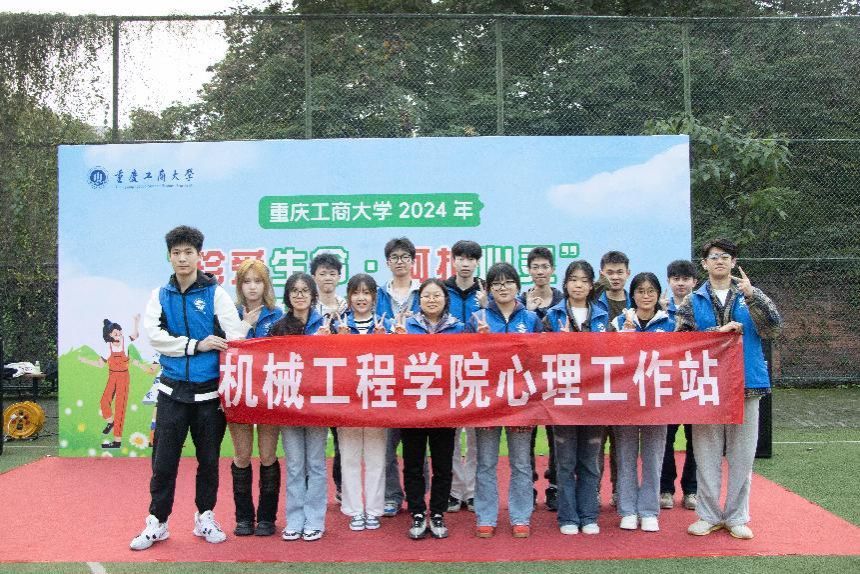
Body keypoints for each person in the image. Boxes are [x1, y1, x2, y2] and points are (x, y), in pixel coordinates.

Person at [130, 225, 246, 551]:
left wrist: (226, 338)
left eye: (188, 252)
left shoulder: (215, 294)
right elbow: (155, 337)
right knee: (163, 462)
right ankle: (158, 522)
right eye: (176, 253)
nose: (182, 258)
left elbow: (235, 335)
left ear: (199, 255)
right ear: (169, 257)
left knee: (208, 461)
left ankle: (204, 517)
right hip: (171, 392)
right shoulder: (160, 295)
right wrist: (196, 345)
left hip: (209, 394)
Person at [676, 238, 781, 540]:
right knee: (706, 454)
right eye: (713, 256)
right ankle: (708, 515)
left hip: (747, 383)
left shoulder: (750, 294)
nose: (719, 260)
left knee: (743, 455)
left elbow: (773, 329)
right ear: (704, 264)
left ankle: (736, 516)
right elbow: (681, 341)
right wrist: (717, 333)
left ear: (734, 262)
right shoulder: (692, 300)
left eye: (725, 256)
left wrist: (753, 297)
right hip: (706, 386)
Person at [468, 262, 542, 539]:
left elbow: (540, 358)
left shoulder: (531, 319)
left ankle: (521, 516)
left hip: (521, 401)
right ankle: (486, 516)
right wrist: (479, 342)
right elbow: (464, 359)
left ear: (517, 287)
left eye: (508, 282)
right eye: (496, 283)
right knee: (486, 462)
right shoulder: (477, 318)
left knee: (521, 463)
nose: (503, 288)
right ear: (488, 288)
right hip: (488, 401)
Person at [394, 278, 464, 540]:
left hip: (445, 408)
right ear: (419, 300)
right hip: (412, 407)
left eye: (437, 295)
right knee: (413, 464)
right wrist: (394, 340)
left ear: (446, 299)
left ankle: (437, 512)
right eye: (426, 296)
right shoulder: (405, 326)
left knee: (443, 465)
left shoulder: (458, 328)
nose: (431, 300)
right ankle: (417, 511)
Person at [543, 260, 609, 535]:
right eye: (573, 279)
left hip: (594, 401)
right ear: (566, 283)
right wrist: (559, 343)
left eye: (584, 280)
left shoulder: (604, 316)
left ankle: (589, 515)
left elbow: (614, 355)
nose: (578, 285)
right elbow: (540, 356)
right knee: (565, 462)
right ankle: (568, 516)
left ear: (591, 285)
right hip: (563, 401)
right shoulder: (552, 316)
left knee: (590, 462)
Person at [610, 272, 674, 532]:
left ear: (658, 294)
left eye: (651, 291)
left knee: (653, 457)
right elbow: (606, 359)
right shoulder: (619, 321)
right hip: (625, 402)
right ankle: (627, 509)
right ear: (632, 294)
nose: (646, 296)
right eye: (640, 291)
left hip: (658, 402)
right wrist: (623, 337)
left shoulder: (671, 322)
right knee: (625, 456)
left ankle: (649, 510)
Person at [270, 272, 332, 542]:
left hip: (317, 406)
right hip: (290, 405)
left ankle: (315, 520)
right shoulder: (278, 328)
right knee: (295, 465)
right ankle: (294, 519)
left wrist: (330, 341)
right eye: (294, 290)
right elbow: (268, 363)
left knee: (316, 464)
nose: (300, 295)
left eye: (305, 290)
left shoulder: (326, 325)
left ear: (313, 295)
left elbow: (337, 362)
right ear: (287, 296)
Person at [229, 259, 284, 537]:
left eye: (258, 281)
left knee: (267, 455)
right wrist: (243, 325)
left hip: (269, 394)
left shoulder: (278, 315)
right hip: (238, 393)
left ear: (266, 285)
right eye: (247, 282)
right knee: (241, 455)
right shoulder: (229, 313)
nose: (252, 287)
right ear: (239, 286)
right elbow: (224, 348)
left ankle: (266, 517)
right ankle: (243, 517)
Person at [335, 274, 392, 532]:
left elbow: (399, 357)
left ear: (374, 297)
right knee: (348, 457)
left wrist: (388, 338)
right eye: (356, 293)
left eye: (366, 293)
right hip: (347, 401)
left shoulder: (386, 324)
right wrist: (336, 340)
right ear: (349, 297)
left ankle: (374, 509)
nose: (361, 298)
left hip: (378, 399)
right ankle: (354, 510)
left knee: (376, 458)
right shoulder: (338, 324)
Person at [377, 237, 421, 517]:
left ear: (413, 261)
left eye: (405, 257)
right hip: (387, 378)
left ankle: (420, 496)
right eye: (395, 257)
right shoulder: (379, 294)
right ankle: (391, 495)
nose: (400, 261)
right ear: (388, 262)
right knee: (387, 445)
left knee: (418, 444)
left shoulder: (425, 291)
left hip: (418, 377)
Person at [518, 246, 564, 512]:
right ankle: (528, 486)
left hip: (556, 376)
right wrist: (529, 311)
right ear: (529, 271)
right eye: (535, 267)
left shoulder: (562, 299)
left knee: (557, 433)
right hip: (526, 378)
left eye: (544, 266)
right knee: (527, 434)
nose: (540, 271)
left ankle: (555, 485)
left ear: (552, 269)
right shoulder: (520, 300)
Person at [443, 240, 486, 513]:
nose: (465, 263)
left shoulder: (486, 290)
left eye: (471, 259)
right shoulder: (442, 290)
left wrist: (487, 305)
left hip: (478, 371)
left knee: (475, 437)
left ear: (477, 262)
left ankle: (472, 491)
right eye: (461, 258)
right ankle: (454, 490)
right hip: (447, 371)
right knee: (451, 436)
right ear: (453, 261)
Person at [660, 259, 699, 511]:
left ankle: (691, 490)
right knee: (665, 438)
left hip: (694, 381)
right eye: (676, 279)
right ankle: (665, 489)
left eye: (685, 279)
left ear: (694, 282)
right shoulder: (660, 309)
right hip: (667, 384)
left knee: (696, 439)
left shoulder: (701, 307)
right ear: (669, 281)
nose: (681, 283)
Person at [594, 250, 632, 507]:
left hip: (626, 383)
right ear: (602, 274)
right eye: (610, 272)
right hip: (596, 382)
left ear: (628, 273)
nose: (615, 277)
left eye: (620, 272)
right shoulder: (593, 302)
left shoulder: (636, 301)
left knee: (623, 444)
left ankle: (621, 492)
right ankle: (593, 491)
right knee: (596, 443)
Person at [310, 252, 348, 503]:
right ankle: (314, 493)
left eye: (332, 273)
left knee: (342, 441)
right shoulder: (307, 307)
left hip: (342, 383)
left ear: (339, 276)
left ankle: (342, 488)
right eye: (322, 273)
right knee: (314, 443)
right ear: (314, 276)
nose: (327, 278)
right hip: (315, 384)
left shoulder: (348, 306)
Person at [79, 314, 141, 449]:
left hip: (123, 377)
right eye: (115, 333)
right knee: (104, 401)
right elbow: (100, 364)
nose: (118, 335)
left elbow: (135, 335)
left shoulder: (125, 342)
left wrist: (136, 321)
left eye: (119, 332)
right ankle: (111, 422)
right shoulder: (107, 347)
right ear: (109, 335)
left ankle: (117, 441)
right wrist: (85, 361)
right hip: (112, 376)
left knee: (120, 407)